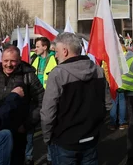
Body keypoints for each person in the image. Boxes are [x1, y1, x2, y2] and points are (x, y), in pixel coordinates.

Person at [41, 32, 106, 165]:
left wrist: (48, 137)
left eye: (57, 51)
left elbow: (48, 112)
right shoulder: (98, 70)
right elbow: (107, 104)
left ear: (65, 51)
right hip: (90, 138)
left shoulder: (57, 74)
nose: (56, 55)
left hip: (65, 142)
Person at [0, 45, 44, 165]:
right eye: (6, 61)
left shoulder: (28, 76)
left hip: (19, 132)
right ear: (1, 60)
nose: (9, 64)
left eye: (12, 61)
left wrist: (28, 123)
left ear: (19, 60)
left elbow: (42, 101)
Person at [27, 36, 57, 164]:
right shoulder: (33, 58)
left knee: (50, 129)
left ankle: (50, 158)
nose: (35, 49)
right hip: (34, 98)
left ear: (45, 47)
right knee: (29, 129)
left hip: (49, 98)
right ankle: (28, 157)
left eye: (38, 46)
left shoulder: (55, 59)